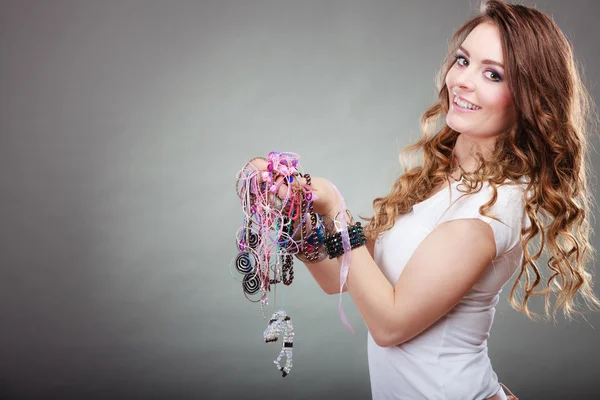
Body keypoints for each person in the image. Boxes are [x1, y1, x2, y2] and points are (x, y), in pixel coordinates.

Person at [249, 0, 599, 398]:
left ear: (530, 99)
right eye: (463, 60)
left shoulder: (488, 214)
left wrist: (336, 209)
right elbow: (340, 277)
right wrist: (293, 209)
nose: (463, 80)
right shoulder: (442, 179)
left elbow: (389, 324)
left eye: (493, 74)